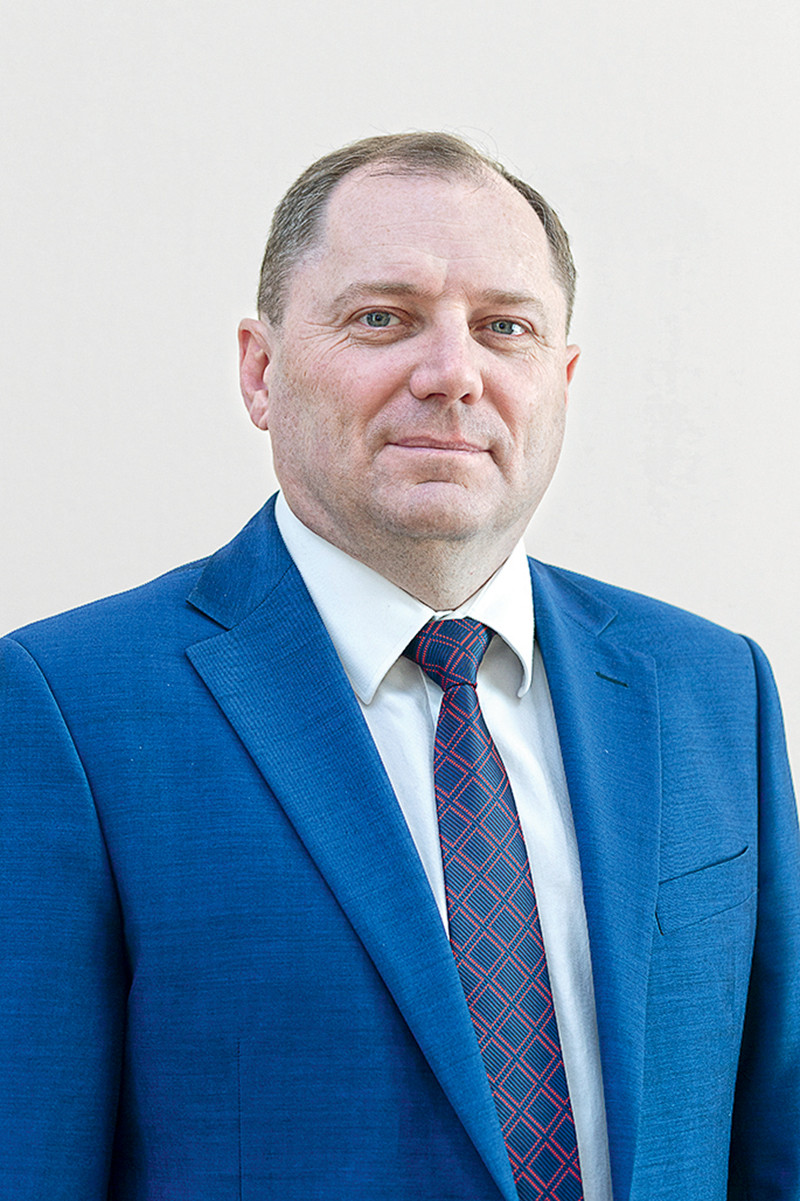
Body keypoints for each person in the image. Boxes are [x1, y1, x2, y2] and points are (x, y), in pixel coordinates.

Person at [1, 132, 798, 1201]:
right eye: (383, 318)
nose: (452, 374)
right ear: (260, 370)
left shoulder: (712, 688)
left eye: (504, 327)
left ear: (561, 381)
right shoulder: (67, 710)